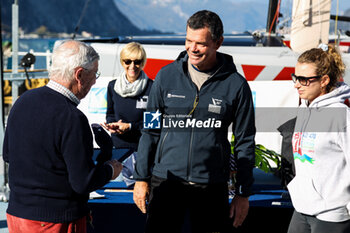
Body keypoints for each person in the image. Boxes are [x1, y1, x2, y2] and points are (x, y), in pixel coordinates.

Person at [133, 10, 256, 233]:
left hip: (211, 187)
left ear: (218, 42)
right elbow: (150, 130)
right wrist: (141, 178)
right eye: (189, 40)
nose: (192, 48)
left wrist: (242, 193)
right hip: (167, 183)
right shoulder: (166, 76)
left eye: (200, 43)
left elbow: (245, 142)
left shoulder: (236, 86)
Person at [3, 40, 122, 233]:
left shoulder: (22, 101)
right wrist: (110, 170)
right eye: (94, 75)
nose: (95, 81)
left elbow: (8, 154)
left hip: (17, 215)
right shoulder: (72, 117)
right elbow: (82, 182)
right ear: (79, 74)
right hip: (55, 219)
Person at [287, 44, 350, 233]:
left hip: (332, 214)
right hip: (302, 208)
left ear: (324, 80)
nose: (296, 84)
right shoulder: (305, 109)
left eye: (304, 79)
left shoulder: (341, 115)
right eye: (295, 77)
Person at [102, 42, 153, 187]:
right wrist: (112, 125)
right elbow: (110, 114)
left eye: (137, 62)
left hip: (142, 151)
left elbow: (154, 123)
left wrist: (130, 127)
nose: (132, 66)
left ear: (142, 63)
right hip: (118, 151)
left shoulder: (152, 87)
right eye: (128, 61)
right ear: (122, 62)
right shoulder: (112, 86)